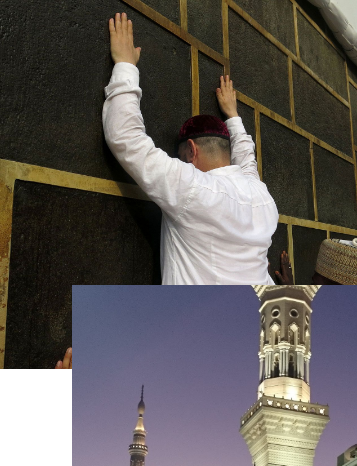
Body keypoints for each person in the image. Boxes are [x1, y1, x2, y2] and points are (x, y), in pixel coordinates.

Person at [104, 12, 277, 285]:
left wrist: (125, 65)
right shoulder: (262, 197)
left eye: (181, 157)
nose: (180, 162)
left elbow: (126, 138)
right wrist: (232, 117)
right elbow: (247, 162)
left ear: (192, 151)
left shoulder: (193, 189)